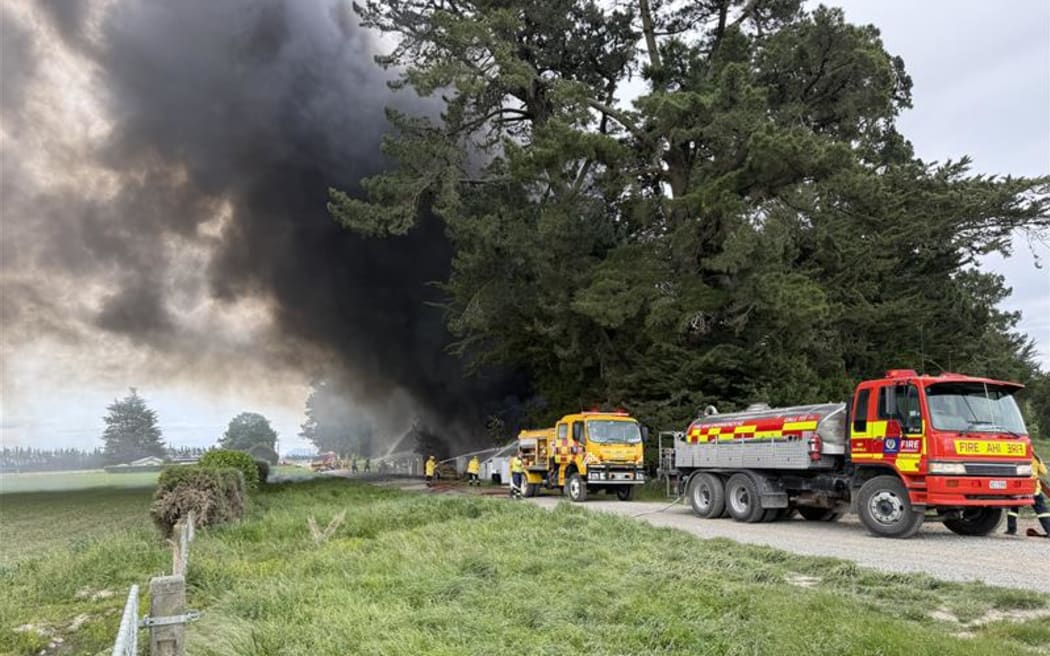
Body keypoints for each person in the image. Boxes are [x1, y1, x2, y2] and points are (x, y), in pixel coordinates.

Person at [1006, 452, 1050, 537]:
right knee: (1042, 511)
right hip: (1033, 488)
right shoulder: (1035, 458)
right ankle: (1049, 530)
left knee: (1013, 508)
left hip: (1019, 487)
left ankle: (1011, 530)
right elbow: (1044, 472)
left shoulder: (1016, 456)